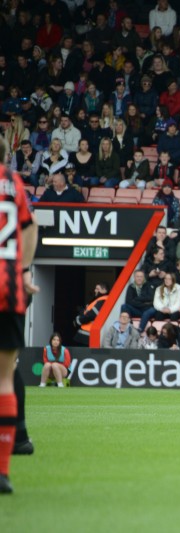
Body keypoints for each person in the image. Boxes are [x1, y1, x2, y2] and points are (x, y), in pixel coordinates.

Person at [0, 146, 39, 494]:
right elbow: (30, 226)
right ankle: (3, 468)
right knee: (6, 375)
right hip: (9, 286)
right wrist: (24, 272)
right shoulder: (13, 182)